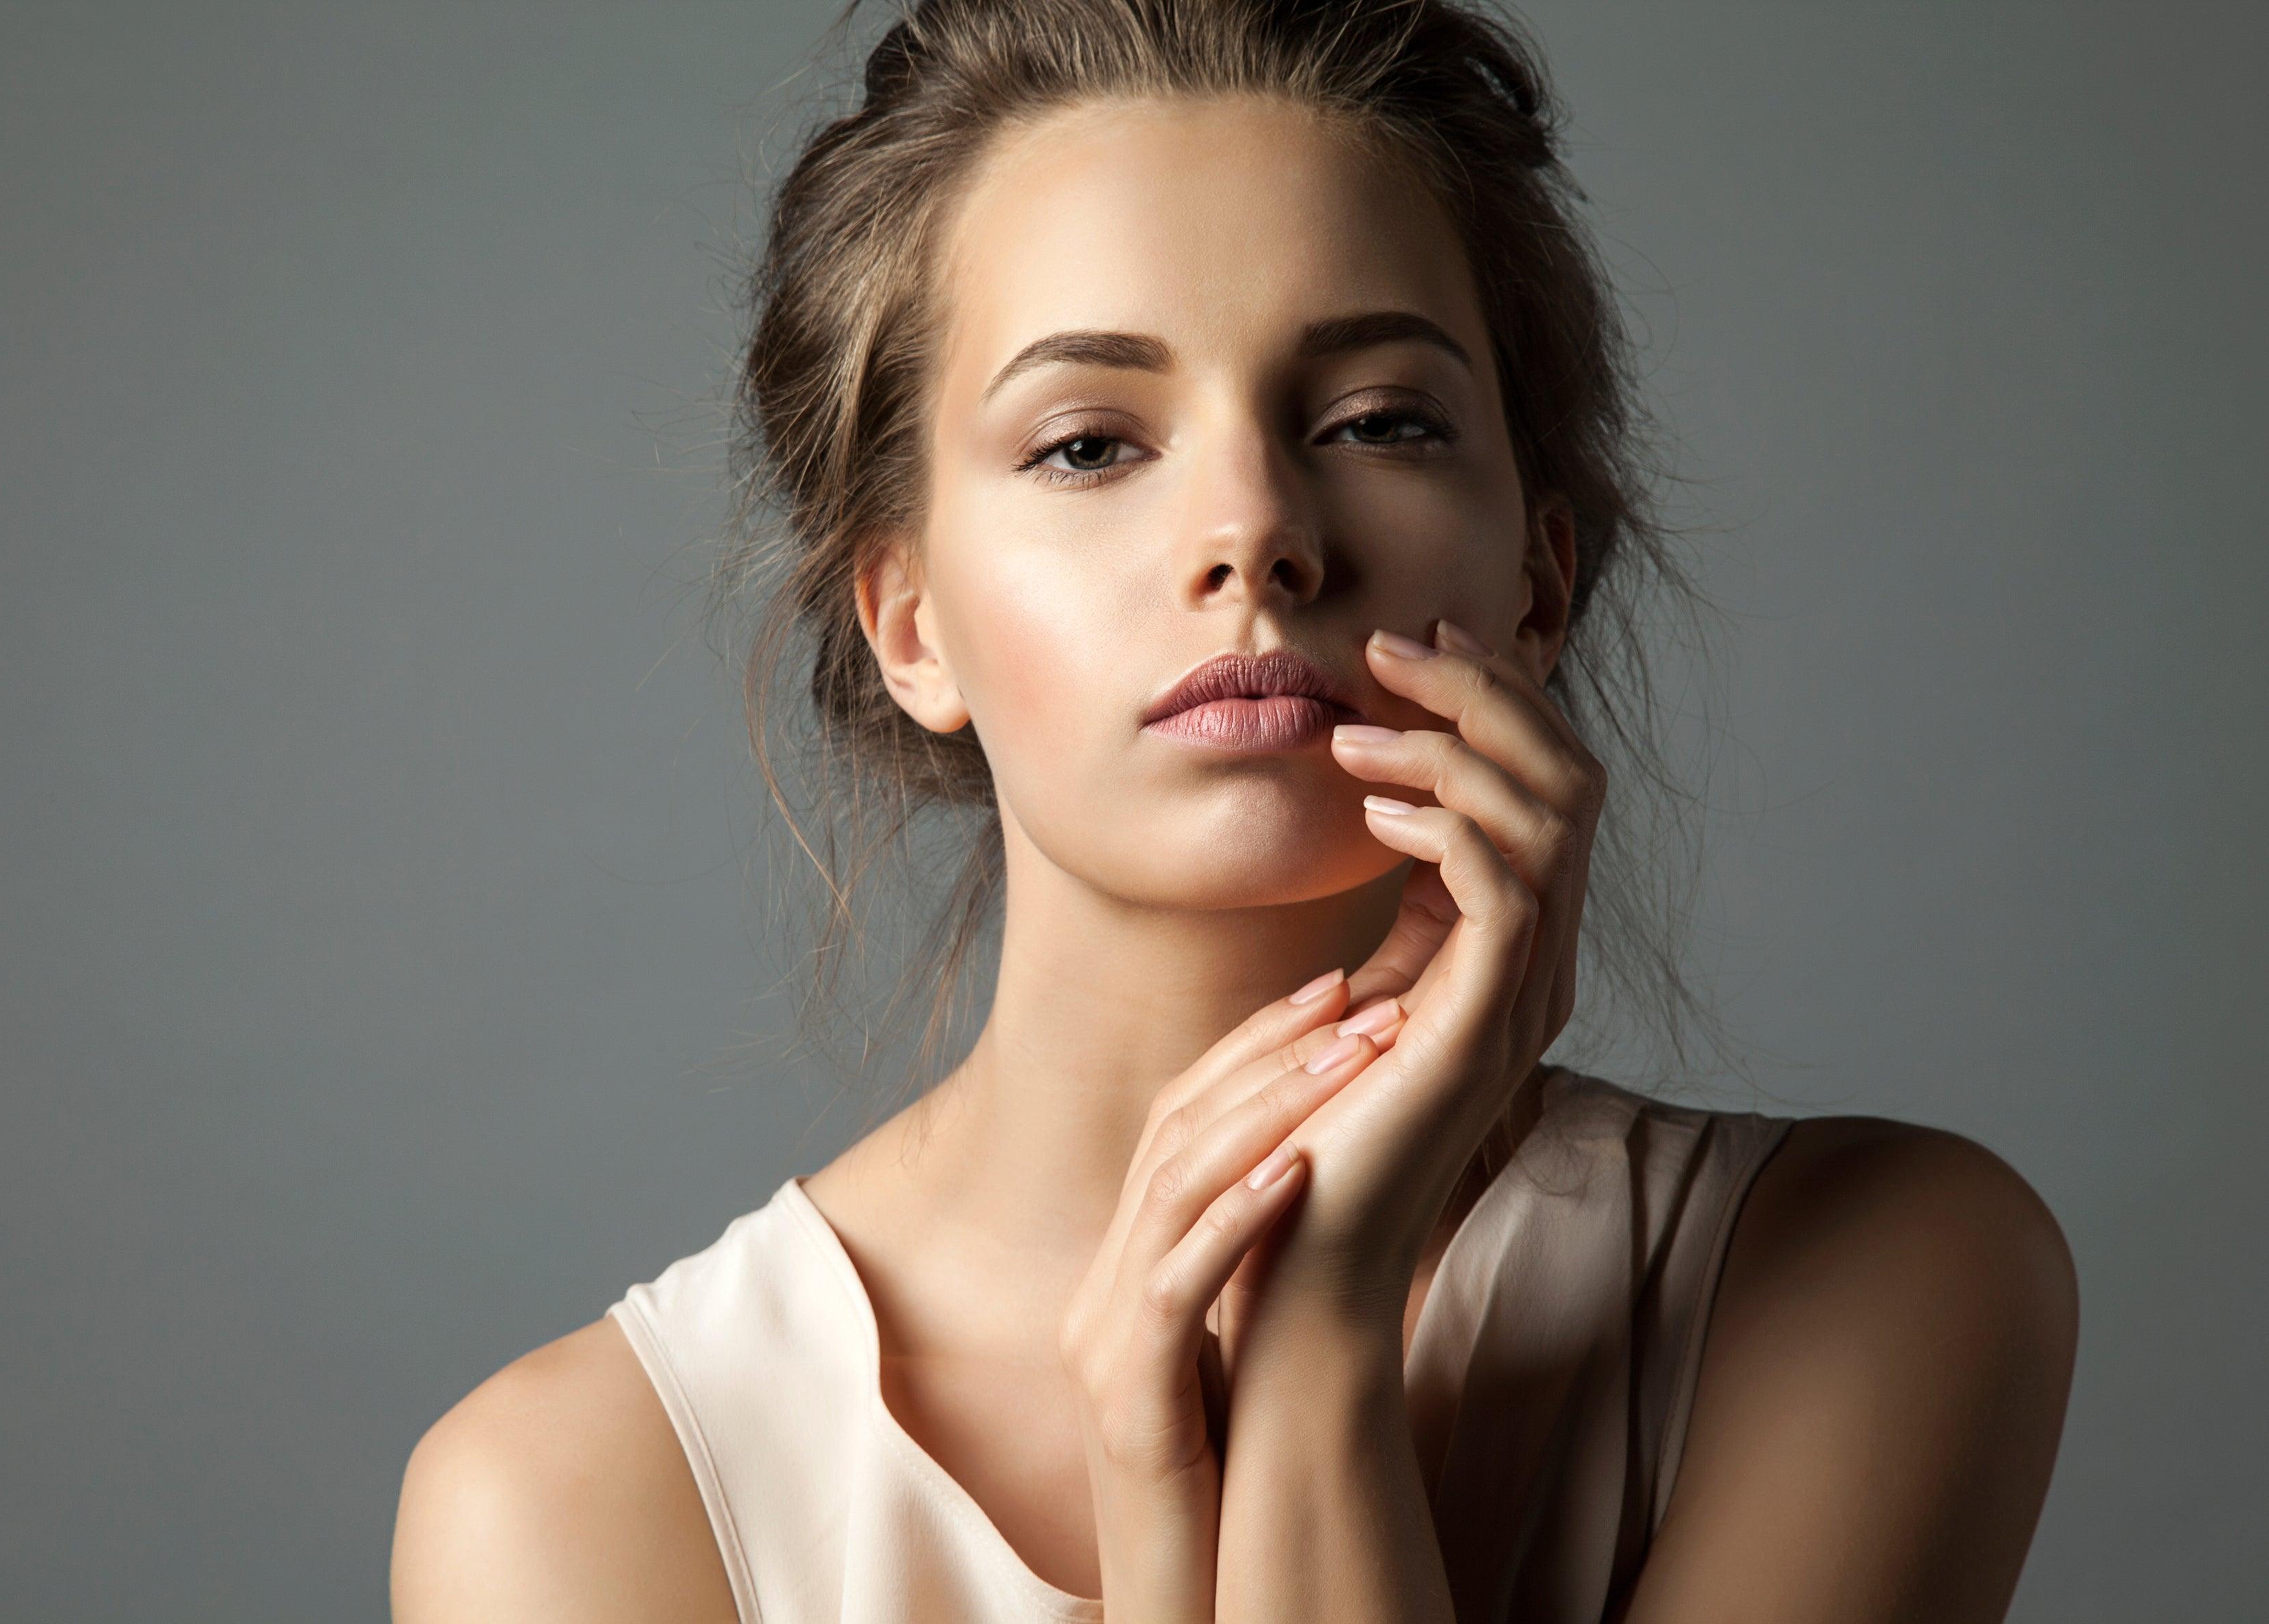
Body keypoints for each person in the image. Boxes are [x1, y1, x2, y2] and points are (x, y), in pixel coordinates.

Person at [391, 2, 2078, 1618]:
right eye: (1086, 444)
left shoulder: (1870, 1281)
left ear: (1537, 586)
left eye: (1376, 420)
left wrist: (1318, 1343)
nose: (1256, 530)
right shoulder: (574, 1495)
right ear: (907, 621)